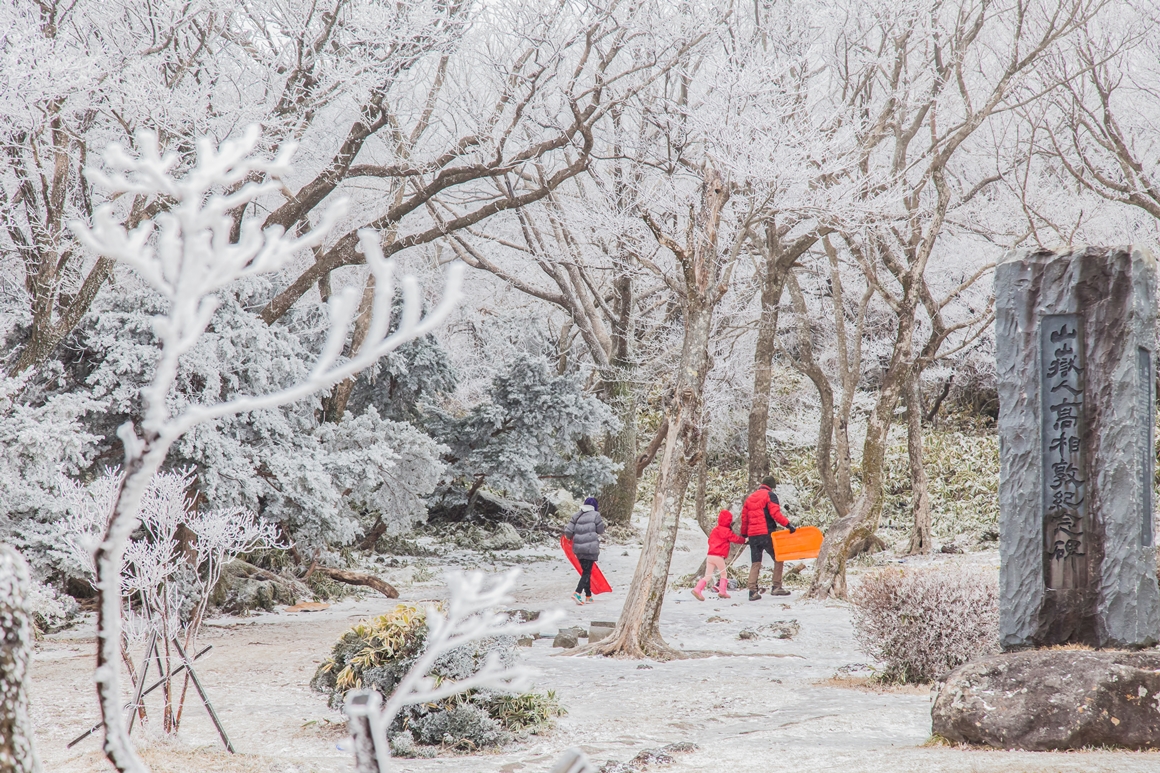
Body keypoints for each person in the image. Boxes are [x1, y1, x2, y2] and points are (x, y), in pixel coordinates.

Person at [741, 475, 796, 601]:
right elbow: (775, 514)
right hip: (766, 533)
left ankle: (752, 590)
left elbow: (744, 518)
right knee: (779, 557)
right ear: (771, 487)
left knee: (755, 562)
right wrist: (788, 525)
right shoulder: (770, 496)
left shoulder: (750, 498)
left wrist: (745, 534)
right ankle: (776, 586)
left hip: (753, 535)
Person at [693, 509, 745, 600]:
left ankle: (697, 589)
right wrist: (744, 540)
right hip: (719, 556)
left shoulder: (715, 530)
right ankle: (722, 591)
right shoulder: (726, 531)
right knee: (723, 574)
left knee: (708, 575)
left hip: (710, 555)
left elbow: (710, 541)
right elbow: (734, 538)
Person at [564, 496, 605, 605]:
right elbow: (601, 530)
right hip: (590, 548)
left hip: (578, 549)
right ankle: (577, 592)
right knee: (587, 572)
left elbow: (568, 532)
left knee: (585, 571)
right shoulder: (596, 515)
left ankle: (588, 596)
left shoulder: (576, 515)